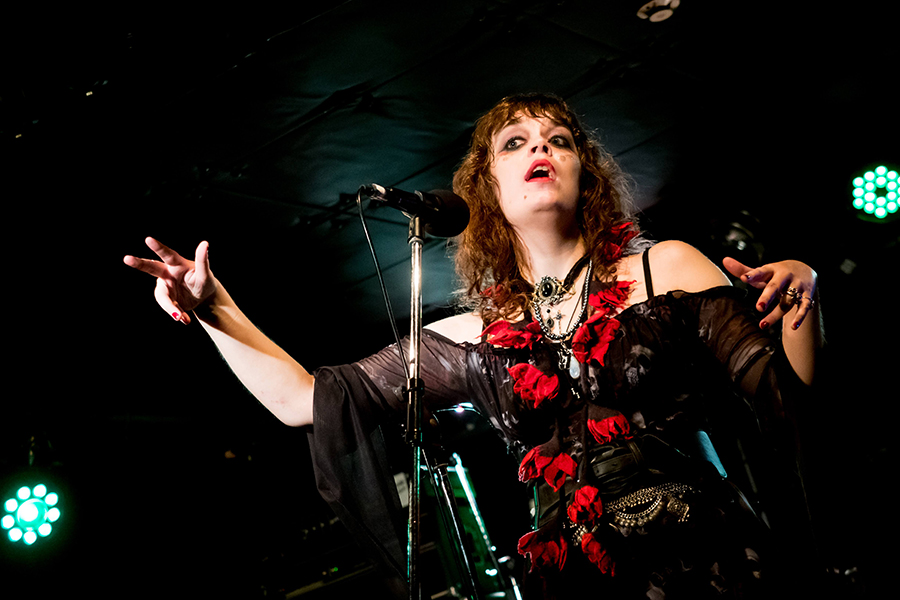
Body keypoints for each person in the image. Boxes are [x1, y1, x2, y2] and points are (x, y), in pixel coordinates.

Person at [124, 93, 821, 598]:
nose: (540, 149)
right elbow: (305, 401)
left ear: (584, 172)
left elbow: (794, 400)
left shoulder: (664, 267)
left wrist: (804, 300)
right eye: (515, 143)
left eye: (558, 140)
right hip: (581, 580)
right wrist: (214, 308)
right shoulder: (472, 335)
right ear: (488, 187)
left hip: (709, 560)